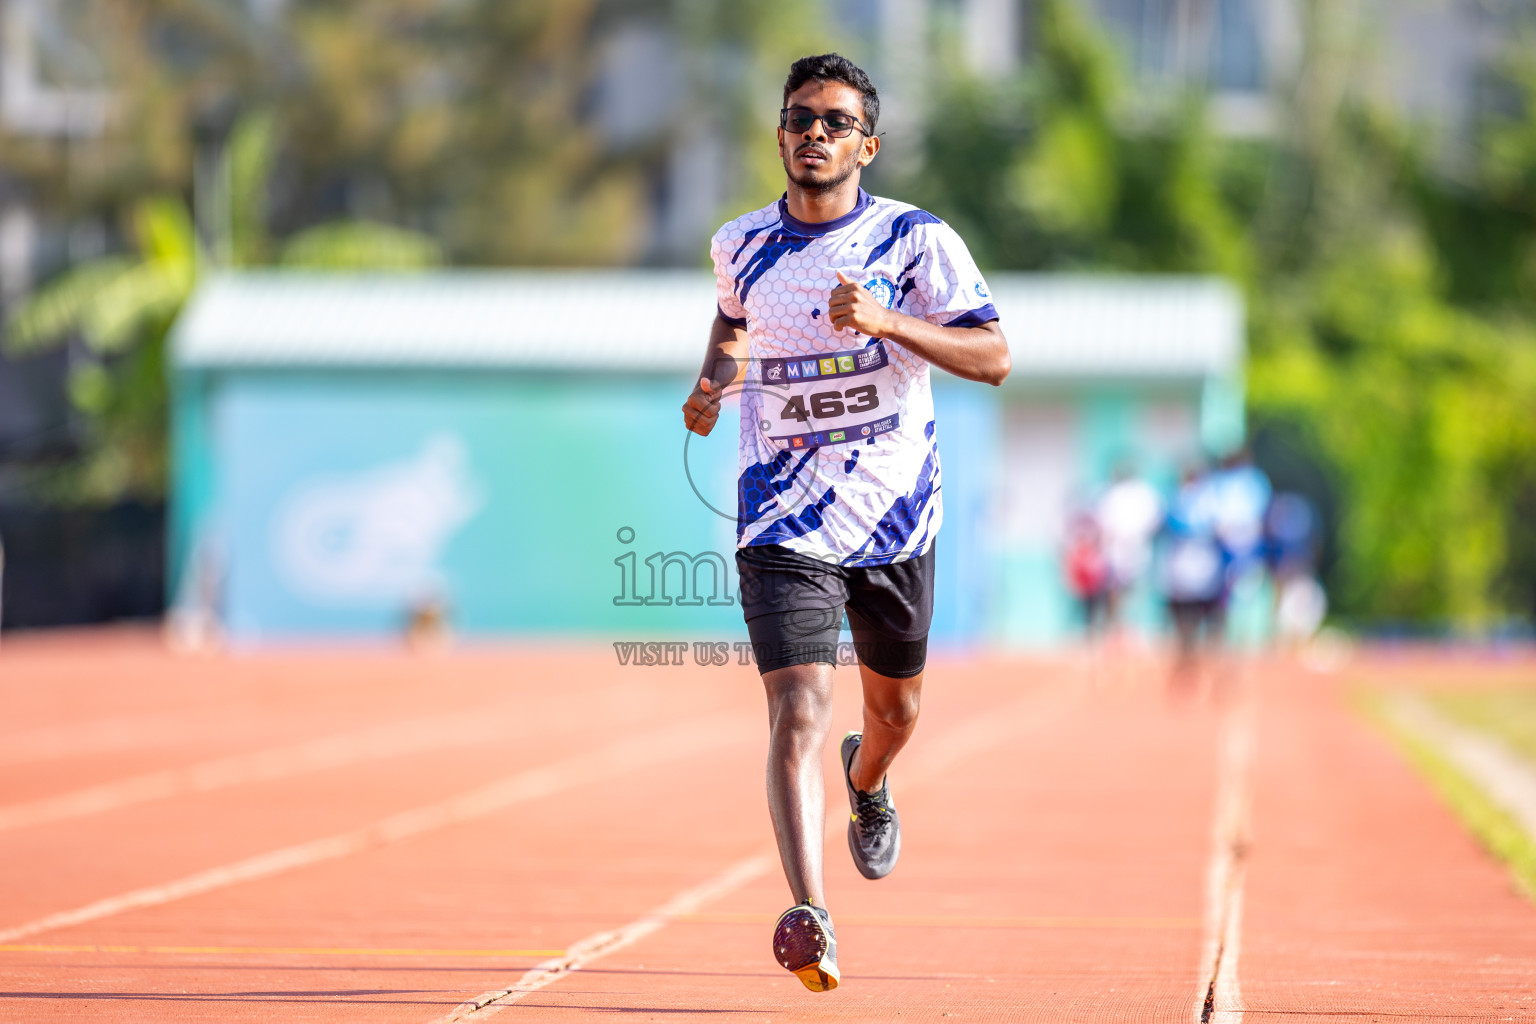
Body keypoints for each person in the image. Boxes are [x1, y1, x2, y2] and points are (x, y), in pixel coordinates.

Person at [680, 53, 1010, 992]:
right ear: (779, 136)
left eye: (833, 121)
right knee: (797, 707)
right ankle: (810, 913)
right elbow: (731, 321)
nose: (812, 134)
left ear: (867, 142)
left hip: (895, 519)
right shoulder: (739, 243)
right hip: (781, 517)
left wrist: (891, 323)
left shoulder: (915, 242)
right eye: (798, 119)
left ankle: (868, 780)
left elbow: (994, 357)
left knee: (893, 714)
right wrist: (714, 382)